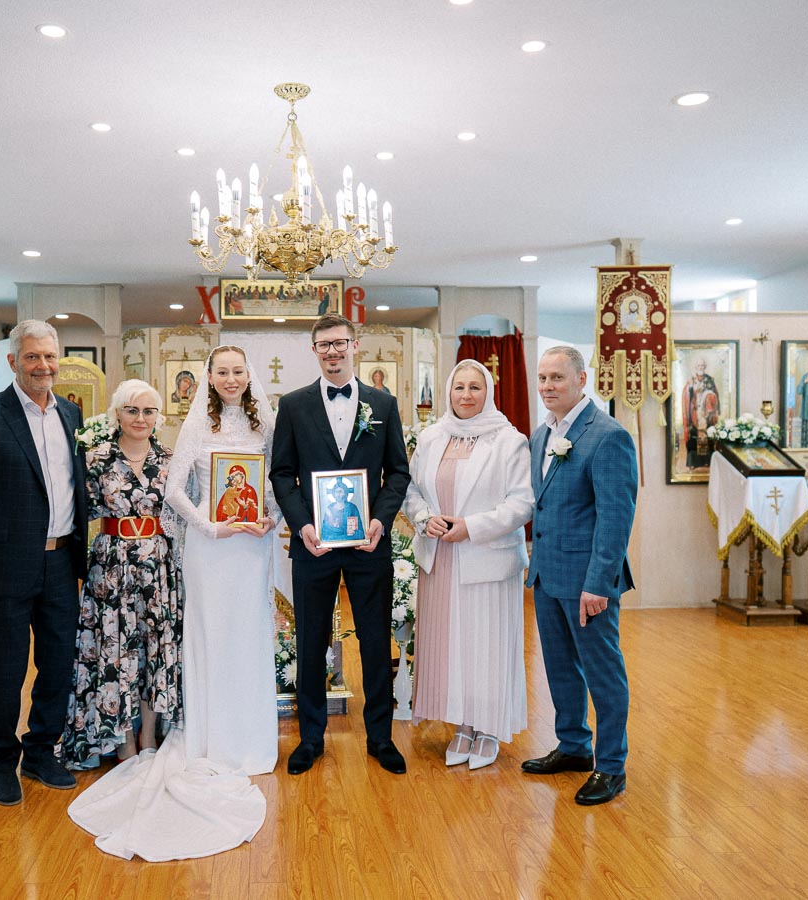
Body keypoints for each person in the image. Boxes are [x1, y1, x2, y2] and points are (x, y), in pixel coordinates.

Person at [67, 348, 283, 861]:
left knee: (247, 638)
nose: (231, 378)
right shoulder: (194, 427)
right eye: (222, 371)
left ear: (248, 376)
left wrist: (270, 516)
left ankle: (249, 740)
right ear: (209, 377)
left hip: (250, 544)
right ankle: (205, 738)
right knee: (206, 636)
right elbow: (172, 489)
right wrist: (209, 524)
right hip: (210, 546)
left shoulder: (264, 427)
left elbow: (277, 479)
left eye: (238, 371)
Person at [0, 319, 88, 807]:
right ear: (13, 361)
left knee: (57, 666)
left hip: (62, 564)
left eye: (50, 357)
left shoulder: (72, 415)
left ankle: (40, 752)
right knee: (3, 670)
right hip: (2, 571)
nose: (43, 366)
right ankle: (0, 761)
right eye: (32, 357)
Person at [270, 313, 411, 776]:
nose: (332, 351)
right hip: (314, 545)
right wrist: (302, 524)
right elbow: (281, 474)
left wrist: (379, 520)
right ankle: (310, 739)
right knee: (311, 640)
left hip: (369, 544)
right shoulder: (292, 406)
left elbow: (399, 474)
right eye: (323, 344)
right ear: (314, 351)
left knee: (374, 640)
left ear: (356, 345)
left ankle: (380, 737)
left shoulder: (384, 405)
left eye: (340, 343)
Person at [402, 360, 533, 771]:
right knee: (450, 647)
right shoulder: (432, 436)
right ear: (447, 391)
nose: (465, 395)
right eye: (458, 386)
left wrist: (471, 527)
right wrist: (425, 518)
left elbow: (522, 503)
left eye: (475, 387)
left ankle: (488, 726)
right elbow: (411, 489)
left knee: (485, 645)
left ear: (488, 392)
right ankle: (461, 723)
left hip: (486, 559)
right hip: (440, 558)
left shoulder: (509, 441)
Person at [521, 345, 637, 806]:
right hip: (548, 575)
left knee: (602, 672)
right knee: (559, 668)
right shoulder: (540, 436)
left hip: (588, 580)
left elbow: (615, 517)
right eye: (543, 378)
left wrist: (598, 583)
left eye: (557, 378)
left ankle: (611, 766)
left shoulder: (607, 436)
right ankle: (573, 747)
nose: (548, 386)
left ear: (582, 379)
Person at [60, 380, 181, 771]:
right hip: (111, 569)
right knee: (116, 651)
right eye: (132, 410)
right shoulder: (95, 459)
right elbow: (81, 512)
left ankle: (149, 733)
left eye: (148, 411)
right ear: (117, 415)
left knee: (151, 650)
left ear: (157, 417)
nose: (140, 418)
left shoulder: (170, 459)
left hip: (158, 568)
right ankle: (122, 738)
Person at [682, 358, 719, 468]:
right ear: (695, 367)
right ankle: (694, 462)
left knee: (709, 436)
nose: (701, 367)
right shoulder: (691, 380)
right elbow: (686, 395)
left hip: (707, 413)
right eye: (699, 365)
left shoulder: (710, 380)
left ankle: (707, 461)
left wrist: (709, 398)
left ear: (705, 367)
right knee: (693, 436)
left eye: (702, 365)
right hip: (695, 413)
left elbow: (715, 393)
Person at [318, 478, 364, 543]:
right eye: (336, 492)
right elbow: (325, 531)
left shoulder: (351, 508)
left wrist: (346, 531)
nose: (338, 494)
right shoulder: (330, 507)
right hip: (332, 538)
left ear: (345, 493)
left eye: (340, 491)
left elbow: (359, 533)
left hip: (348, 539)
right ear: (333, 493)